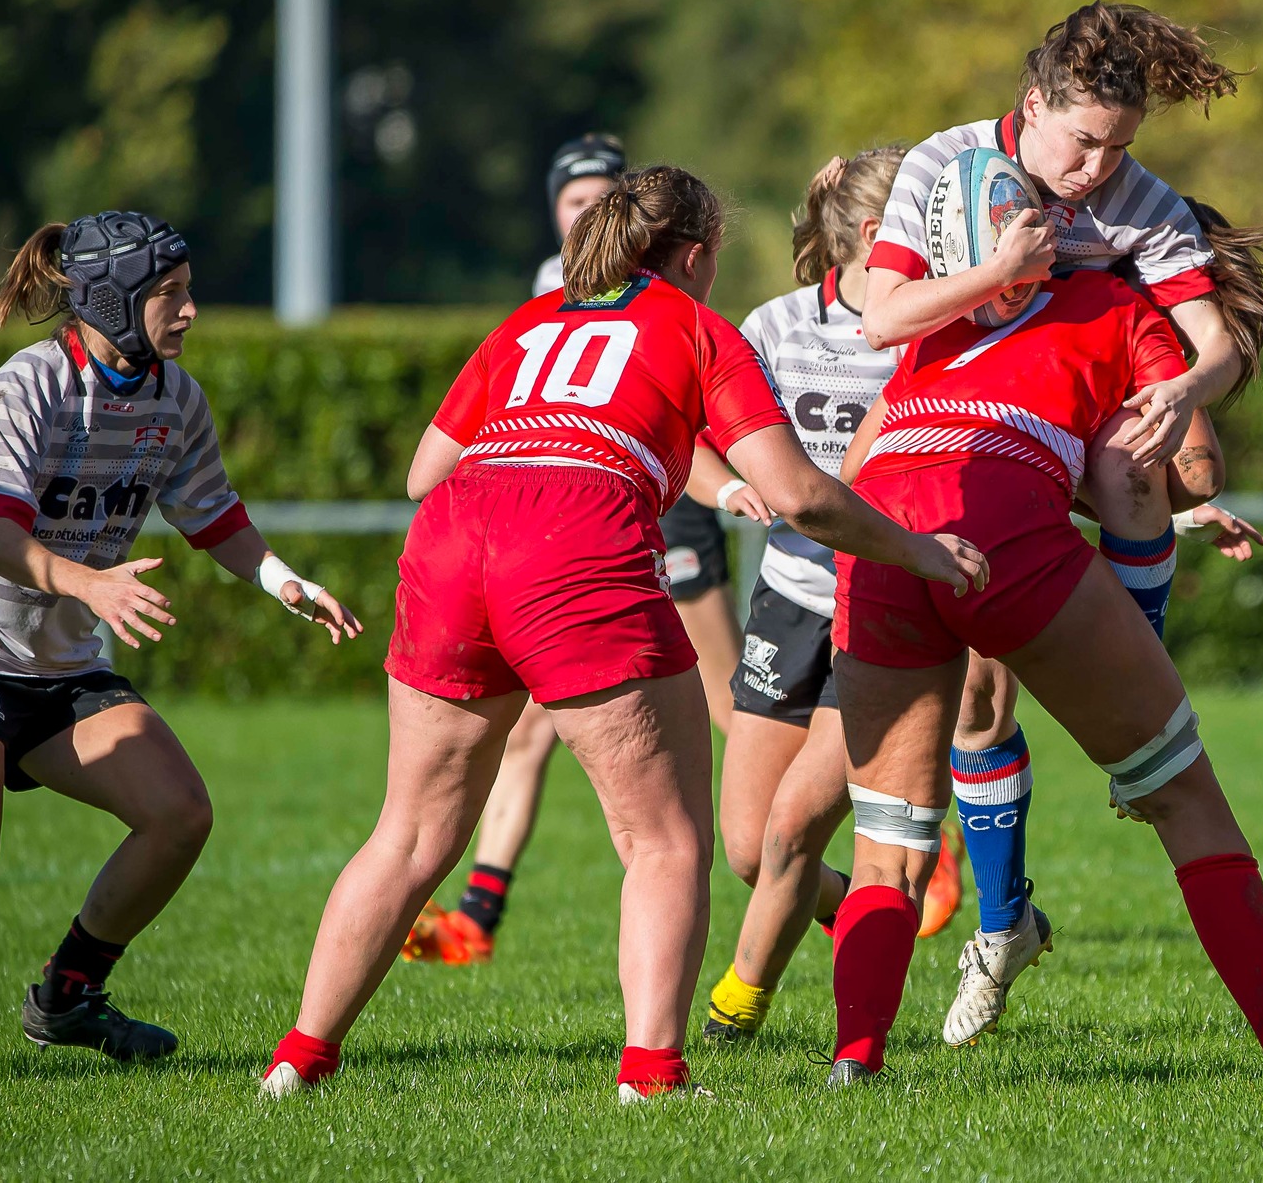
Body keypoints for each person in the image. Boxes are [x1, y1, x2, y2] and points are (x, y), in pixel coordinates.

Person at [261, 166, 986, 1103]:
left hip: (452, 540)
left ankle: (299, 1058)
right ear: (695, 256)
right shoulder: (695, 326)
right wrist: (921, 551)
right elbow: (802, 494)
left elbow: (422, 472)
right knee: (664, 841)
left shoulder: (529, 321)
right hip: (574, 543)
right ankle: (651, 1076)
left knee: (408, 834)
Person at [823, 142, 1263, 1081]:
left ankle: (854, 1061)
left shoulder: (929, 324)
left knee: (889, 844)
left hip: (882, 545)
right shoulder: (1117, 306)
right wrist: (1116, 468)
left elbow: (859, 463)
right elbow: (1189, 461)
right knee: (1183, 794)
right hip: (1006, 543)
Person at [0, 212, 360, 1062]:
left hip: (59, 663)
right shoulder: (27, 386)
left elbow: (213, 514)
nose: (190, 310)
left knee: (180, 813)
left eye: (187, 290)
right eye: (170, 293)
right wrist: (91, 583)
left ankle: (67, 998)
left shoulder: (177, 398)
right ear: (110, 300)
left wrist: (286, 581)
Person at [405, 134, 749, 965]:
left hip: (575, 518)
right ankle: (484, 916)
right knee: (655, 827)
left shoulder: (545, 316)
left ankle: (815, 861)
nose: (588, 210)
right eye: (574, 198)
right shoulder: (624, 308)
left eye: (601, 195)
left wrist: (725, 488)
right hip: (580, 528)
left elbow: (427, 473)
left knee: (733, 709)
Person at [698, 151, 997, 1047]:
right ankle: (872, 902)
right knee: (750, 847)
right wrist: (728, 486)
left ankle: (735, 1008)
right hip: (788, 603)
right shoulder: (776, 325)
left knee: (793, 826)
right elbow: (691, 434)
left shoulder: (947, 332)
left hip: (888, 610)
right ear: (876, 234)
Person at [863, 2, 1260, 647]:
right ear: (1035, 105)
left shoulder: (1145, 201)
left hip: (1069, 380)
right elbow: (882, 322)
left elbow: (1220, 345)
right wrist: (1001, 272)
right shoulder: (945, 160)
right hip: (952, 387)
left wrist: (1187, 390)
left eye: (1119, 147)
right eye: (1085, 141)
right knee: (980, 693)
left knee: (1193, 476)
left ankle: (1136, 650)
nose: (1097, 169)